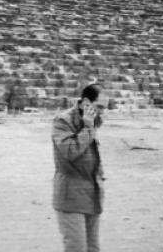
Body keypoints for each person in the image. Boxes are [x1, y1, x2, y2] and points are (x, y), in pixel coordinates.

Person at [52, 84, 107, 252]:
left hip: (92, 193)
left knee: (93, 248)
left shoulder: (93, 120)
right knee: (76, 248)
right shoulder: (63, 121)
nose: (102, 112)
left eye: (104, 108)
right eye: (99, 107)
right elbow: (70, 151)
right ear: (86, 103)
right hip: (71, 195)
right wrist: (88, 128)